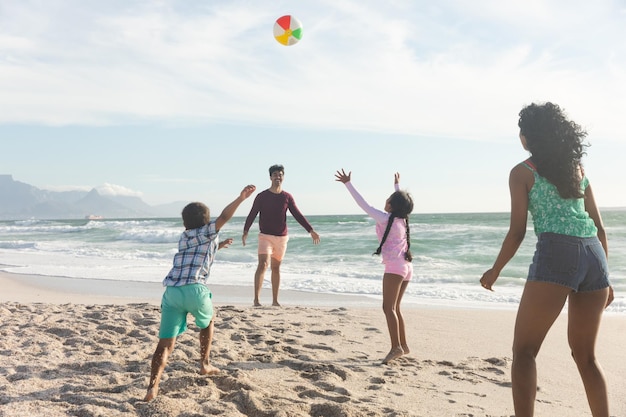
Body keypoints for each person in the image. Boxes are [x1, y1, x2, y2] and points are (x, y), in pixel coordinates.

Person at [479, 102, 614, 417]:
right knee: (586, 357)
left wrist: (495, 270)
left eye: (521, 133)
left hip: (557, 252)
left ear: (529, 138)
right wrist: (607, 281)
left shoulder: (522, 172)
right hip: (594, 253)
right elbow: (600, 227)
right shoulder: (577, 170)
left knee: (524, 352)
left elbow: (517, 232)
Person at [144, 184, 256, 402]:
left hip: (172, 292)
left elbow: (197, 250)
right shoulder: (208, 230)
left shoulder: (184, 237)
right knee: (208, 321)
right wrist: (241, 198)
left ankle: (152, 388)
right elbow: (225, 216)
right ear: (207, 221)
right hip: (195, 289)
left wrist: (219, 245)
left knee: (165, 344)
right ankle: (204, 364)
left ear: (185, 222)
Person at [335, 169, 414, 364]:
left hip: (395, 269)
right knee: (395, 308)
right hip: (406, 267)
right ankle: (403, 346)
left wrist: (348, 184)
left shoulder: (385, 218)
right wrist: (397, 186)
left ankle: (395, 347)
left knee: (388, 308)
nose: (385, 201)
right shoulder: (402, 219)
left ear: (393, 205)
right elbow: (401, 203)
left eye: (389, 199)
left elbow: (363, 204)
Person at [242, 164, 320, 307]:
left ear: (283, 177)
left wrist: (310, 230)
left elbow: (297, 214)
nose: (278, 177)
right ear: (270, 177)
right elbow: (252, 213)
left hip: (282, 238)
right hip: (265, 236)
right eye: (275, 174)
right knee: (263, 264)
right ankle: (256, 300)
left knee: (276, 268)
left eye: (280, 174)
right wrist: (245, 231)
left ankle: (275, 301)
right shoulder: (262, 196)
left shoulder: (287, 197)